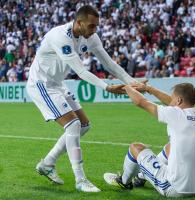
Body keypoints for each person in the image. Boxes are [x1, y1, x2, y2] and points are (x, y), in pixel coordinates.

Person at [26, 5, 144, 192]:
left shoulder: (90, 37)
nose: (94, 30)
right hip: (41, 84)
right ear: (79, 23)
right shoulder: (60, 36)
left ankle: (47, 164)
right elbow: (80, 71)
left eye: (96, 26)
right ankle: (80, 180)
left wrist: (132, 81)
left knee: (84, 125)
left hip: (57, 84)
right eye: (91, 26)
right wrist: (106, 87)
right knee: (73, 125)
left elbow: (109, 63)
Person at [104, 83, 195, 197]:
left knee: (136, 147)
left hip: (173, 188)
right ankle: (141, 176)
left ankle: (124, 182)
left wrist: (126, 87)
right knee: (170, 146)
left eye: (173, 98)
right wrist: (148, 88)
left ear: (179, 100)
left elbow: (141, 102)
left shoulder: (176, 114)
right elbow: (172, 103)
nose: (170, 102)